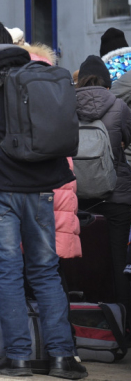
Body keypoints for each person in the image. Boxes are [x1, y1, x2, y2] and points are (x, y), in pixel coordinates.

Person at [0, 17, 86, 378]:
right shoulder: (39, 75)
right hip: (41, 186)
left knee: (8, 273)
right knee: (45, 271)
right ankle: (61, 357)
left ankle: (19, 357)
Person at [75, 55, 131, 333]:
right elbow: (126, 141)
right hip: (117, 196)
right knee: (118, 260)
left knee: (82, 258)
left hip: (79, 197)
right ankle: (123, 326)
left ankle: (87, 320)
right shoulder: (119, 106)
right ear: (107, 82)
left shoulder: (66, 106)